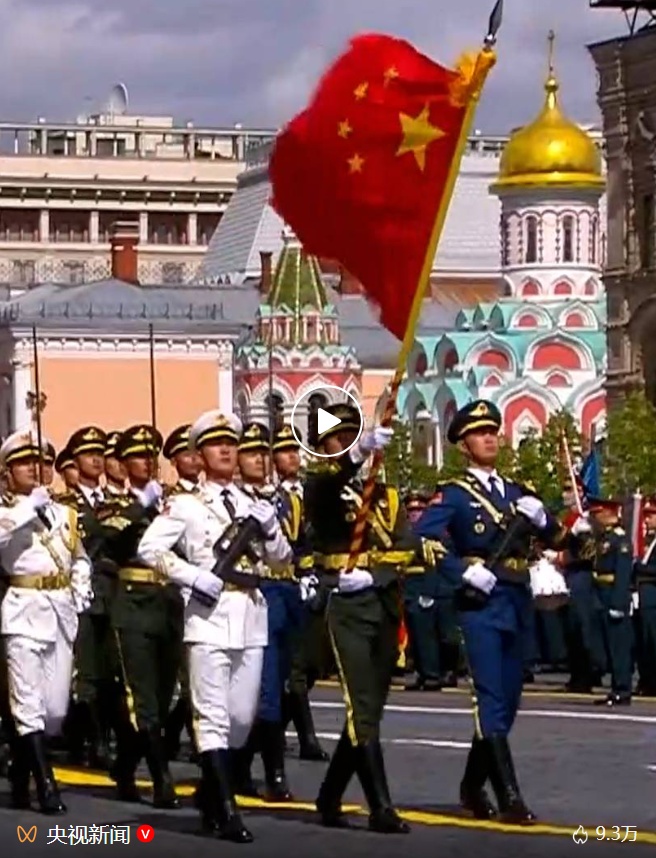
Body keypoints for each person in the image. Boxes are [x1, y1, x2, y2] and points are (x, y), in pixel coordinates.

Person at [137, 410, 293, 842]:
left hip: (250, 615)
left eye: (231, 444)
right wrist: (191, 576)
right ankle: (226, 811)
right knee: (212, 718)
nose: (226, 450)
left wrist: (271, 528)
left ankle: (210, 791)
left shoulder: (251, 504)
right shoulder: (185, 505)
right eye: (216, 445)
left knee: (242, 719)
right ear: (199, 455)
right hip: (208, 618)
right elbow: (149, 549)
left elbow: (281, 559)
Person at [415, 400, 568, 825]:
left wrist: (545, 519)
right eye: (479, 433)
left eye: (492, 431)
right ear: (463, 445)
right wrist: (462, 571)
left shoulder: (518, 491)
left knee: (511, 698)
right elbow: (424, 540)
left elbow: (559, 538)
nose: (489, 438)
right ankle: (510, 797)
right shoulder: (455, 493)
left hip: (517, 599)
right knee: (490, 698)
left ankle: (470, 785)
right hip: (480, 602)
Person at [305, 405, 416, 834]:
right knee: (360, 705)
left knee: (371, 709)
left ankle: (330, 793)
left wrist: (378, 573)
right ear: (324, 446)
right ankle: (381, 806)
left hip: (383, 600)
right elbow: (329, 492)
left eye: (355, 435)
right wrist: (355, 457)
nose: (350, 443)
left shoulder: (384, 494)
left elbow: (408, 544)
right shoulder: (320, 486)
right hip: (345, 604)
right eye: (340, 438)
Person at [0, 430, 92, 813]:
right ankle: (46, 785)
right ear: (6, 472)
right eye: (24, 463)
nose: (34, 468)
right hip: (22, 608)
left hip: (60, 609)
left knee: (53, 710)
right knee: (28, 704)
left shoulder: (65, 512)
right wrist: (25, 510)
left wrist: (81, 585)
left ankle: (20, 777)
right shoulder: (6, 512)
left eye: (39, 462)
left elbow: (80, 556)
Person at [102, 424, 182, 807]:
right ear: (121, 463)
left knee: (164, 696)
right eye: (138, 456)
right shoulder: (112, 504)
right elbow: (106, 541)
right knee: (142, 696)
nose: (148, 462)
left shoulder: (174, 501)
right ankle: (162, 779)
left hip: (167, 601)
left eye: (152, 455)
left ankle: (125, 764)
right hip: (132, 602)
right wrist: (138, 507)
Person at [59, 426, 118, 769]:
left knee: (112, 670)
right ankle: (92, 739)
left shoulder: (117, 500)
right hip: (83, 593)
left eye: (100, 453)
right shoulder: (66, 505)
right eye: (88, 455)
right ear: (76, 461)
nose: (96, 460)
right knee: (88, 672)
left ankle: (104, 735)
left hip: (113, 594)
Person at [274, 424, 328, 761]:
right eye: (285, 450)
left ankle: (274, 729)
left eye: (296, 449)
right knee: (293, 668)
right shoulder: (271, 497)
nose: (294, 456)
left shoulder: (311, 493)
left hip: (313, 583)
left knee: (311, 665)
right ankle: (307, 738)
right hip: (281, 584)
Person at [161, 424, 201, 762]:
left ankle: (177, 732)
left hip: (206, 595)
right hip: (177, 592)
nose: (192, 458)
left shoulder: (211, 495)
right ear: (174, 460)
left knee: (198, 677)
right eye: (185, 453)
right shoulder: (170, 499)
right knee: (187, 676)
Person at [589, 497, 633, 706]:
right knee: (609, 645)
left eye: (599, 513)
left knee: (619, 647)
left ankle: (623, 689)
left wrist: (617, 604)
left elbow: (623, 574)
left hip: (614, 595)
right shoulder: (604, 538)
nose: (595, 518)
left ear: (610, 514)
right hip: (602, 593)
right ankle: (616, 687)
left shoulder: (620, 540)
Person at [402, 491, 442, 691]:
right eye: (411, 510)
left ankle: (432, 674)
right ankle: (420, 672)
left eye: (418, 509)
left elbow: (435, 563)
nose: (414, 514)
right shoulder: (405, 532)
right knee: (414, 635)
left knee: (426, 635)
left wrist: (429, 591)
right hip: (406, 587)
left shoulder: (432, 533)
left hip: (423, 585)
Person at [634, 497, 656, 695]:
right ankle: (647, 681)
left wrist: (639, 567)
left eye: (651, 516)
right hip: (644, 600)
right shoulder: (649, 542)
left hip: (653, 600)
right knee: (644, 643)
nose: (646, 520)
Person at [103, 431, 127, 495]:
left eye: (124, 458)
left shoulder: (141, 500)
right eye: (115, 458)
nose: (121, 463)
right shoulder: (97, 501)